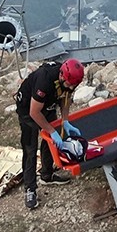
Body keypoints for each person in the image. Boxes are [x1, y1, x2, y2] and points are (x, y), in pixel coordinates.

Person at [14, 58, 84, 210]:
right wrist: (51, 131)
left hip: (48, 105)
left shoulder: (69, 80)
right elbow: (34, 112)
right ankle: (30, 188)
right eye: (69, 84)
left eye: (74, 85)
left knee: (49, 141)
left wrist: (65, 120)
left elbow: (65, 97)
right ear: (61, 76)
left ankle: (47, 174)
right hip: (28, 108)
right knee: (30, 148)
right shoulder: (44, 80)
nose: (71, 87)